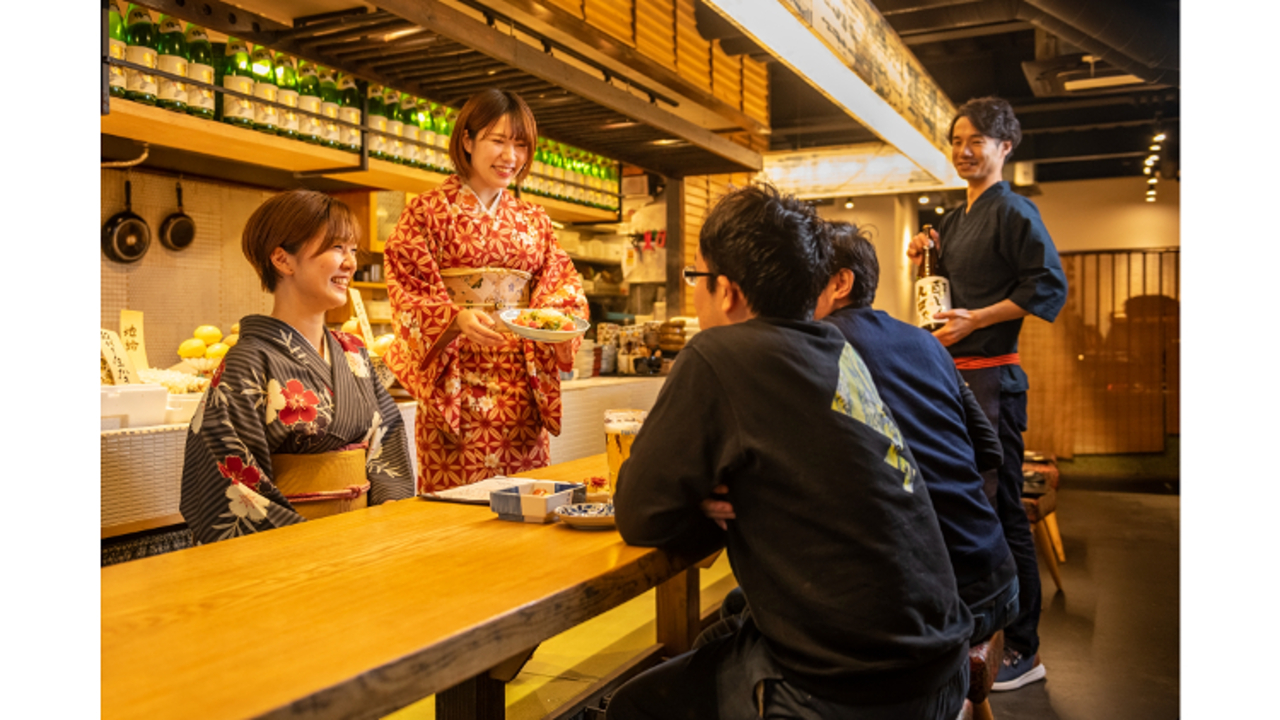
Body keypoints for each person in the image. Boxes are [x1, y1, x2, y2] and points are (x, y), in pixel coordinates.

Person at [609, 184, 973, 720]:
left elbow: (638, 514)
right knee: (723, 634)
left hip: (846, 691)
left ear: (726, 290)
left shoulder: (718, 351)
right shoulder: (835, 349)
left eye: (697, 279)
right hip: (939, 665)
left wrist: (700, 503)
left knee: (636, 706)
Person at [908, 96, 1068, 691]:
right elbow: (938, 295)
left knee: (1003, 513)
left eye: (977, 140)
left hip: (995, 376)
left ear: (1005, 147)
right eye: (956, 140)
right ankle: (979, 629)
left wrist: (977, 319)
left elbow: (1048, 283)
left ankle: (1025, 647)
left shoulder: (1015, 211)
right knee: (963, 506)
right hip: (953, 378)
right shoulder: (951, 221)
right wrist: (921, 257)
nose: (964, 150)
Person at [814, 221, 1019, 646]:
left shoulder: (819, 345)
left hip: (945, 599)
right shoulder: (924, 342)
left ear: (840, 282)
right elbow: (987, 451)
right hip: (997, 574)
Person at [180, 190, 415, 545]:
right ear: (283, 260)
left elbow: (389, 442)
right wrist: (306, 545)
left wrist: (382, 526)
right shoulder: (249, 361)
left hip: (365, 543)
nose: (350, 262)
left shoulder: (353, 353)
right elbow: (228, 479)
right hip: (290, 548)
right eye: (337, 247)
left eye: (353, 250)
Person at [383, 88, 587, 493]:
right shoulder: (427, 211)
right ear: (468, 140)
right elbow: (408, 284)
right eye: (498, 140)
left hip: (521, 388)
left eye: (520, 145)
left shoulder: (534, 219)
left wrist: (556, 323)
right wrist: (453, 318)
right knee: (456, 510)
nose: (510, 156)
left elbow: (562, 283)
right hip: (455, 388)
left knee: (526, 500)